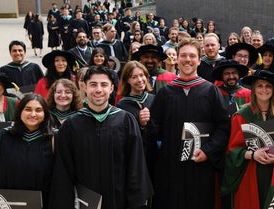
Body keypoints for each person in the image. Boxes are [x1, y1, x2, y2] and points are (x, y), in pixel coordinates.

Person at [49, 66, 153, 209]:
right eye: (93, 84)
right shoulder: (72, 125)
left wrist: (136, 202)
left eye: (104, 85)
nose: (98, 89)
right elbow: (63, 170)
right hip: (84, 201)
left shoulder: (125, 120)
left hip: (119, 200)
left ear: (111, 89)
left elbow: (136, 165)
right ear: (84, 87)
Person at [150, 38, 230, 209]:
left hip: (200, 163)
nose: (188, 59)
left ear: (199, 60)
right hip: (171, 166)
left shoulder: (210, 91)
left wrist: (208, 151)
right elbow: (155, 129)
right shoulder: (165, 93)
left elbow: (223, 127)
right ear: (176, 59)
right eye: (183, 55)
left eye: (192, 56)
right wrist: (145, 123)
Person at [0, 93, 55, 209]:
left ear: (45, 115)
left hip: (43, 202)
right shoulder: (3, 137)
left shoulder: (53, 139)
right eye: (28, 109)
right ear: (20, 112)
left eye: (38, 110)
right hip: (6, 203)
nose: (33, 114)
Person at [222, 70, 274, 209]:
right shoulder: (242, 115)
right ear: (253, 89)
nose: (264, 90)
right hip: (250, 174)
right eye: (259, 85)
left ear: (273, 90)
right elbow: (233, 151)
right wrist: (253, 154)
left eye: (268, 86)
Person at [116, 61, 157, 187]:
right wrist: (140, 125)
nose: (139, 80)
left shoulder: (153, 99)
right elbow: (122, 137)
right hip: (135, 158)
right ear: (127, 80)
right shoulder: (122, 105)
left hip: (154, 156)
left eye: (142, 75)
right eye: (134, 77)